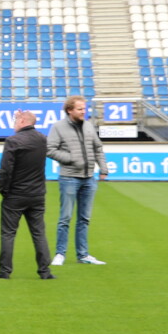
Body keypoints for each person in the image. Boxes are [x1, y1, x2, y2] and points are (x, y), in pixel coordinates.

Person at [47, 94, 112, 267]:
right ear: (70, 110)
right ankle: (60, 253)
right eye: (80, 109)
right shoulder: (58, 127)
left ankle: (83, 254)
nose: (84, 111)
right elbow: (50, 149)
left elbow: (98, 148)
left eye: (84, 108)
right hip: (69, 178)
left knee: (84, 219)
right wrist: (71, 158)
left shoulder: (89, 126)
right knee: (65, 218)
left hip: (89, 178)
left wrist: (103, 168)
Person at [0, 109, 56, 280]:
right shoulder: (42, 139)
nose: (14, 124)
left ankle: (5, 271)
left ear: (23, 121)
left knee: (8, 233)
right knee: (39, 233)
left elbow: (6, 169)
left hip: (15, 194)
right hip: (37, 194)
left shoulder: (13, 141)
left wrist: (3, 189)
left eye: (16, 120)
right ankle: (45, 271)